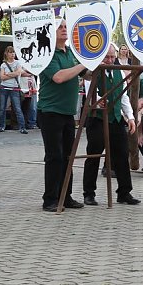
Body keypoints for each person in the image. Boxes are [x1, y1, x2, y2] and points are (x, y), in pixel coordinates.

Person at [37, 19, 87, 212]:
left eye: (66, 26)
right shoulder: (47, 54)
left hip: (67, 112)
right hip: (50, 112)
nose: (65, 30)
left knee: (68, 156)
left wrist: (91, 62)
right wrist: (82, 65)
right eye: (60, 27)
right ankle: (50, 198)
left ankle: (65, 196)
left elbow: (82, 74)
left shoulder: (69, 53)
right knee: (54, 156)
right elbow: (58, 77)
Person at [81, 44, 140, 206]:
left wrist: (130, 117)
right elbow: (91, 92)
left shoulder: (118, 71)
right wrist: (98, 101)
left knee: (121, 155)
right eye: (106, 57)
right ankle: (89, 193)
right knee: (93, 155)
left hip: (114, 118)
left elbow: (123, 96)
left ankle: (124, 192)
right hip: (97, 119)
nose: (109, 60)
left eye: (112, 57)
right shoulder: (93, 71)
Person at [0, 45, 28, 133]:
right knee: (2, 108)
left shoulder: (18, 63)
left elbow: (18, 73)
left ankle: (22, 127)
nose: (12, 54)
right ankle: (1, 126)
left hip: (14, 88)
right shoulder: (3, 65)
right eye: (10, 52)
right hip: (4, 87)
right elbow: (2, 77)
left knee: (17, 108)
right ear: (6, 54)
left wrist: (8, 74)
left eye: (13, 52)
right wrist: (12, 74)